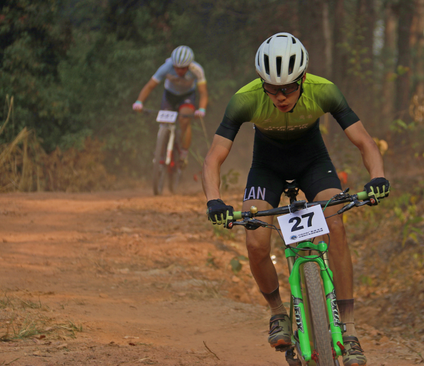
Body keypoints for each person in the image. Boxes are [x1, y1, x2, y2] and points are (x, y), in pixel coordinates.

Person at [202, 32, 390, 366]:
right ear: (262, 83)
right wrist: (214, 200)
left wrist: (377, 177)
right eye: (272, 89)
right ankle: (277, 313)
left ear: (302, 78)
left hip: (313, 164)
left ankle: (349, 330)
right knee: (257, 242)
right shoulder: (244, 99)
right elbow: (215, 154)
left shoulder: (324, 90)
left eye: (288, 88)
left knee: (336, 225)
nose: (281, 96)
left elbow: (365, 142)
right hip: (266, 169)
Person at [132, 45, 208, 166]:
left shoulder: (197, 70)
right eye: (176, 68)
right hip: (169, 95)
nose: (179, 71)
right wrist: (139, 102)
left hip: (187, 96)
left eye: (183, 68)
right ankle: (160, 153)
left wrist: (202, 109)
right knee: (163, 121)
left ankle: (184, 153)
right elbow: (150, 86)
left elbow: (203, 93)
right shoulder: (166, 67)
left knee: (184, 120)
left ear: (189, 66)